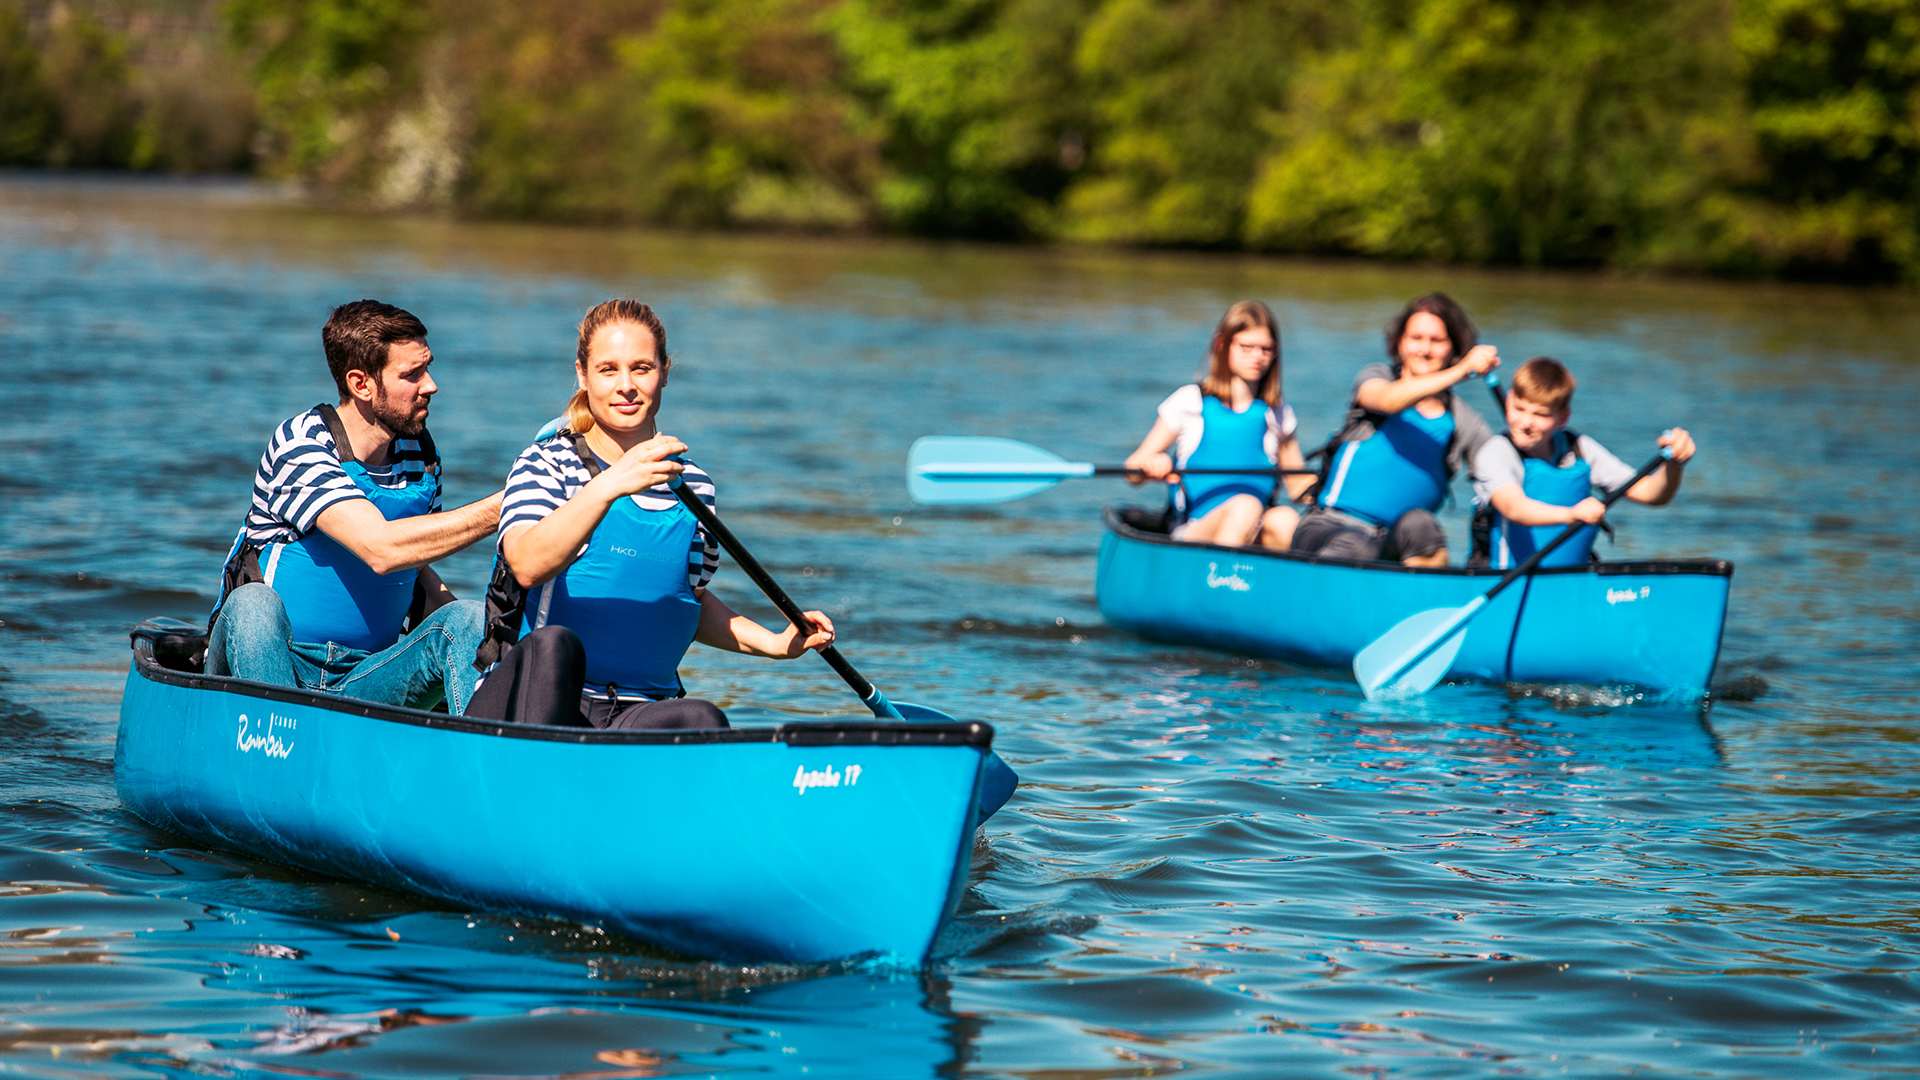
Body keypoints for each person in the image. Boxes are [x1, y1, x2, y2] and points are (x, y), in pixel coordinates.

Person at [465, 299, 835, 730]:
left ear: (664, 372)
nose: (626, 386)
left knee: (703, 717)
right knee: (553, 645)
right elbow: (527, 565)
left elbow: (683, 601)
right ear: (583, 376)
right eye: (608, 370)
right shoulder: (545, 464)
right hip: (532, 698)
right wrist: (612, 483)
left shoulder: (694, 487)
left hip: (636, 709)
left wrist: (776, 643)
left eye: (641, 368)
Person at [206, 300, 501, 712]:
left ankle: (485, 758)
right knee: (253, 606)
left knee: (469, 619)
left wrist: (487, 647)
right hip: (273, 662)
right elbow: (380, 549)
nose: (430, 385)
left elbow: (412, 568)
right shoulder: (301, 444)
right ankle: (279, 739)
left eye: (427, 368)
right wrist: (511, 503)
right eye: (412, 375)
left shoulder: (420, 455)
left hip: (366, 676)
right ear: (361, 384)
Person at [1293, 293, 1499, 566]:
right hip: (1327, 526)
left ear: (1453, 347)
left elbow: (1503, 478)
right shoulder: (1376, 377)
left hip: (1395, 544)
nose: (1425, 349)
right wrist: (1463, 371)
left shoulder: (1465, 421)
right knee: (1359, 548)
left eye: (1437, 341)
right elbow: (1389, 401)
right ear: (1400, 343)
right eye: (1416, 338)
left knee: (1423, 526)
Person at [1469, 357, 1696, 568]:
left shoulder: (1579, 448)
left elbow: (1651, 494)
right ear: (1508, 401)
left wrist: (1675, 465)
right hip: (1503, 581)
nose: (1526, 423)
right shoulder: (1495, 452)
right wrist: (1571, 514)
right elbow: (1514, 508)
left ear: (1563, 418)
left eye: (1541, 414)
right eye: (1519, 408)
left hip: (1571, 582)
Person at [1121, 301, 1313, 548]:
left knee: (1285, 518)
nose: (1257, 357)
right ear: (1222, 344)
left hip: (1251, 528)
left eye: (1266, 349)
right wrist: (1150, 464)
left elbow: (1298, 487)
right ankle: (1220, 581)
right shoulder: (1190, 401)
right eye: (1247, 347)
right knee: (1245, 506)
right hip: (1194, 532)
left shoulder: (1277, 413)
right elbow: (1131, 471)